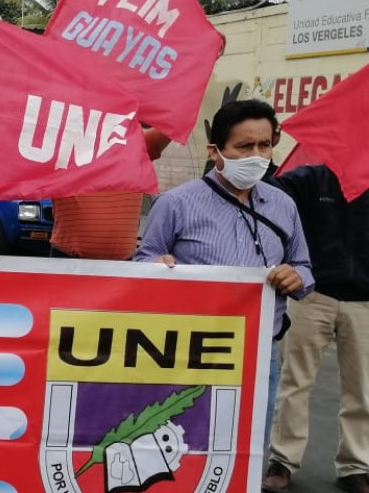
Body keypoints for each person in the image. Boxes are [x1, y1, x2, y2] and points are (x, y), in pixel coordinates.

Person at [134, 100, 313, 450]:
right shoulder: (175, 204)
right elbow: (143, 261)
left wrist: (297, 278)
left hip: (260, 351)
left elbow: (304, 268)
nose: (257, 155)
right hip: (190, 352)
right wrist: (157, 268)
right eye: (244, 147)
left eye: (265, 145)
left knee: (246, 447)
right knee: (185, 443)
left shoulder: (283, 206)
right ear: (215, 150)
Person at [263, 164, 369, 493]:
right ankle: (282, 460)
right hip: (312, 294)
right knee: (295, 383)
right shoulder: (312, 178)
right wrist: (265, 162)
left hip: (365, 301)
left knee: (362, 390)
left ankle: (356, 465)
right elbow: (269, 195)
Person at [49, 127, 172, 260]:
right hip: (68, 262)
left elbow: (173, 123)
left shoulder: (135, 142)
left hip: (121, 266)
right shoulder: (62, 142)